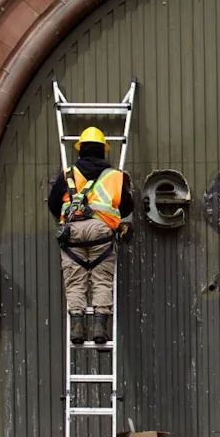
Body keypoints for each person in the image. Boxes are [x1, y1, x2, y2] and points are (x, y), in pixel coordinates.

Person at [48, 126, 134, 345]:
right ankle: (99, 327)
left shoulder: (68, 175)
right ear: (103, 151)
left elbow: (54, 204)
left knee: (75, 282)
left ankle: (77, 326)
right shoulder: (115, 176)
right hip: (101, 233)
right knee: (102, 281)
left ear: (81, 151)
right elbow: (126, 207)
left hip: (73, 233)